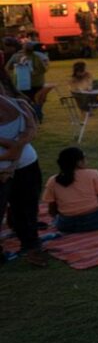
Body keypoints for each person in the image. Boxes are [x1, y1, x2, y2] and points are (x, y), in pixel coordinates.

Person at [0, 88, 46, 267]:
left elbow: (32, 130)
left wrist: (14, 151)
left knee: (26, 207)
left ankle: (30, 243)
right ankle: (29, 243)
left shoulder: (20, 104)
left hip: (24, 164)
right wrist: (13, 151)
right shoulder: (20, 104)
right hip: (16, 164)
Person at [43, 147, 98, 233]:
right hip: (94, 221)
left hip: (66, 225)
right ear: (78, 162)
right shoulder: (93, 173)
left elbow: (52, 210)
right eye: (84, 158)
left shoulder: (52, 181)